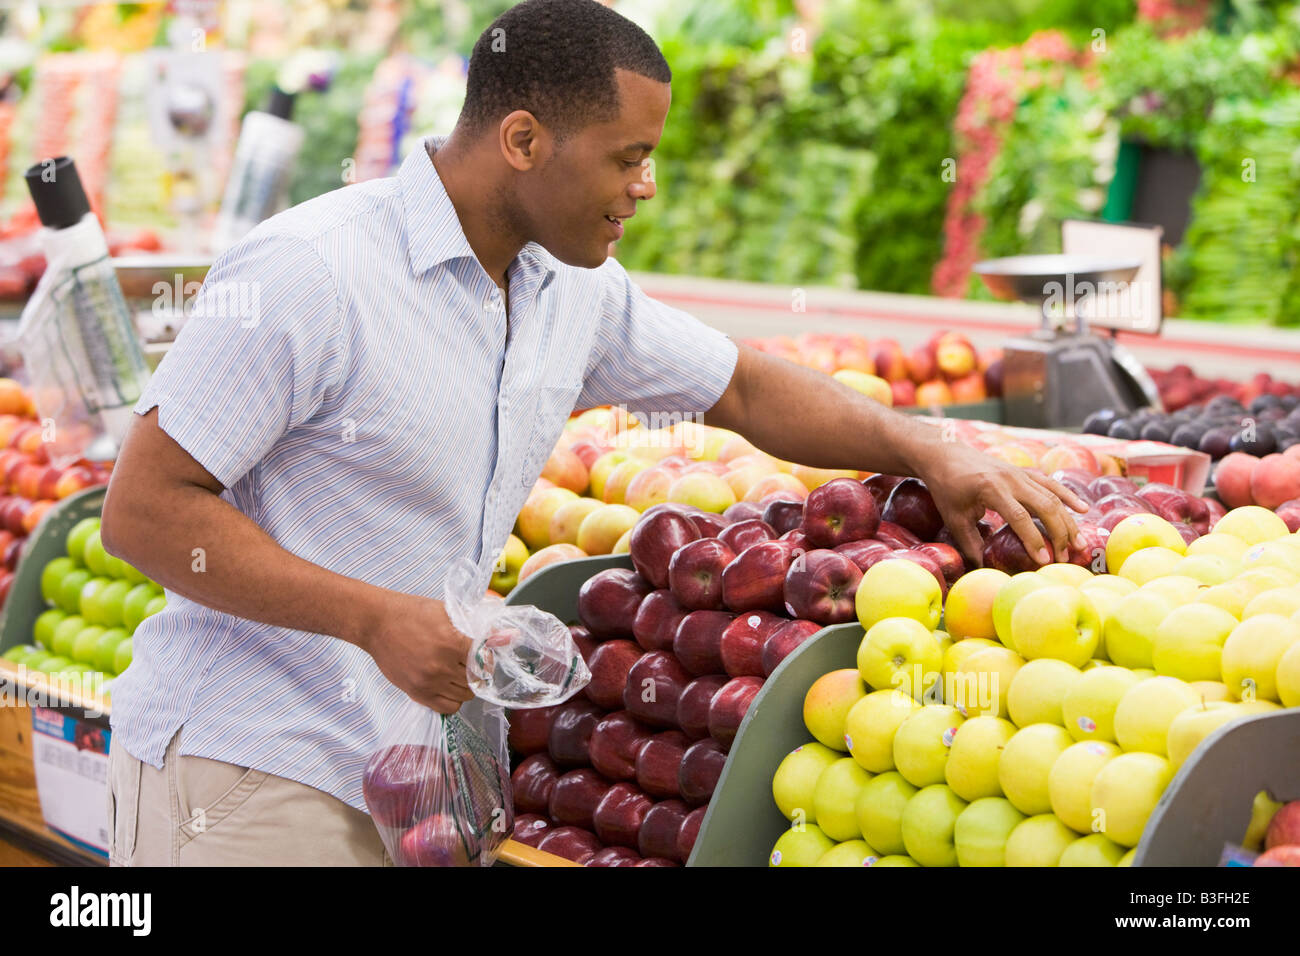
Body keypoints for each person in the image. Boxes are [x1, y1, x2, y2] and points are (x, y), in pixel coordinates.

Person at [100, 0, 1084, 866]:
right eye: (628, 155)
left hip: (403, 781)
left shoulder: (567, 286)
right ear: (524, 140)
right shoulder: (311, 270)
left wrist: (923, 443)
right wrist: (371, 617)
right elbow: (143, 511)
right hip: (242, 773)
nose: (646, 185)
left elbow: (739, 388)